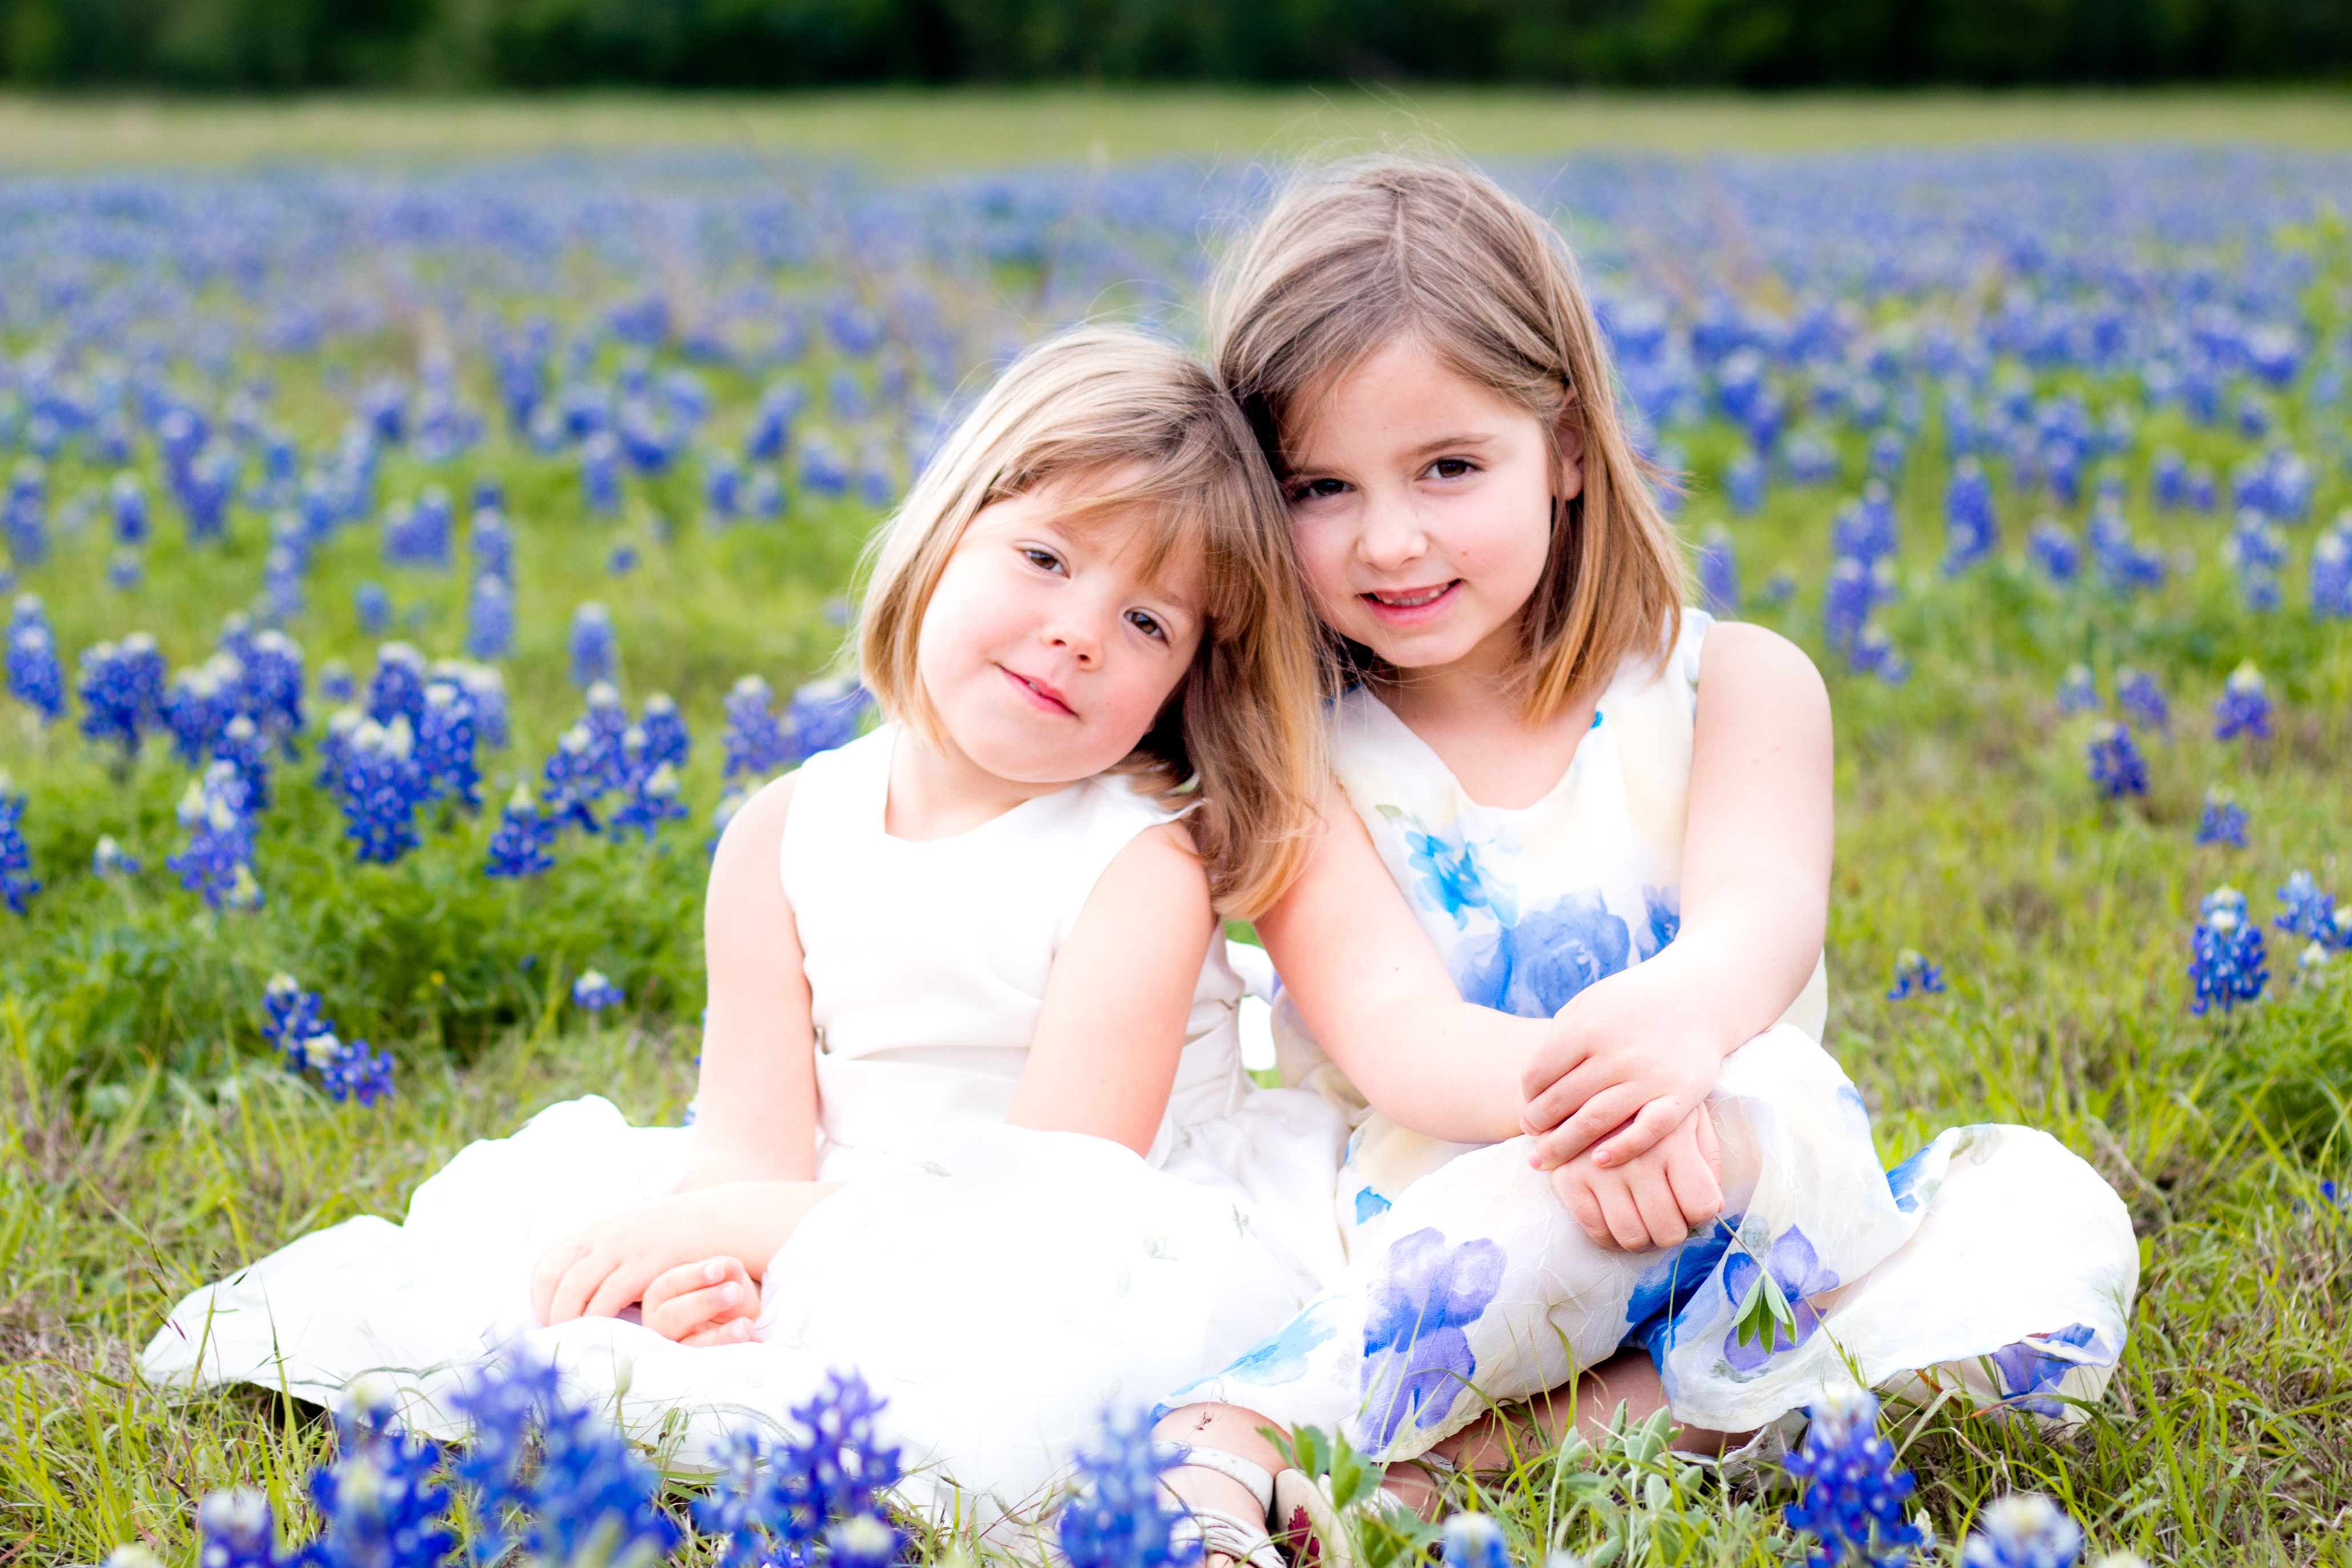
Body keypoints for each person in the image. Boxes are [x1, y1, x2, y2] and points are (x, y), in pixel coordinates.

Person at [142, 326, 1352, 1524]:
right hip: (833, 1202)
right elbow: (746, 1148)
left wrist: (742, 1224)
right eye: (1044, 555)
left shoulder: (1139, 865)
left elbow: (1050, 1212)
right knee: (582, 1309)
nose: (1081, 628)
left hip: (1076, 1242)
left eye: (1150, 622)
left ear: (1188, 678)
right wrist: (704, 1260)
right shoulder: (784, 825)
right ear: (941, 535)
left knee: (998, 1399)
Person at [1149, 158, 2140, 1567]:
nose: (1388, 536)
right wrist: (1605, 1118)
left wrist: (1676, 1044)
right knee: (1646, 1231)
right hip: (1469, 1216)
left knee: (2024, 1239)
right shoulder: (1302, 753)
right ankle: (1232, 1433)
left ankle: (1423, 1475)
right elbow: (1401, 1038)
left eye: (1447, 465)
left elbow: (1759, 913)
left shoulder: (1735, 681)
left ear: (1563, 443)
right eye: (1318, 484)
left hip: (1743, 1199)